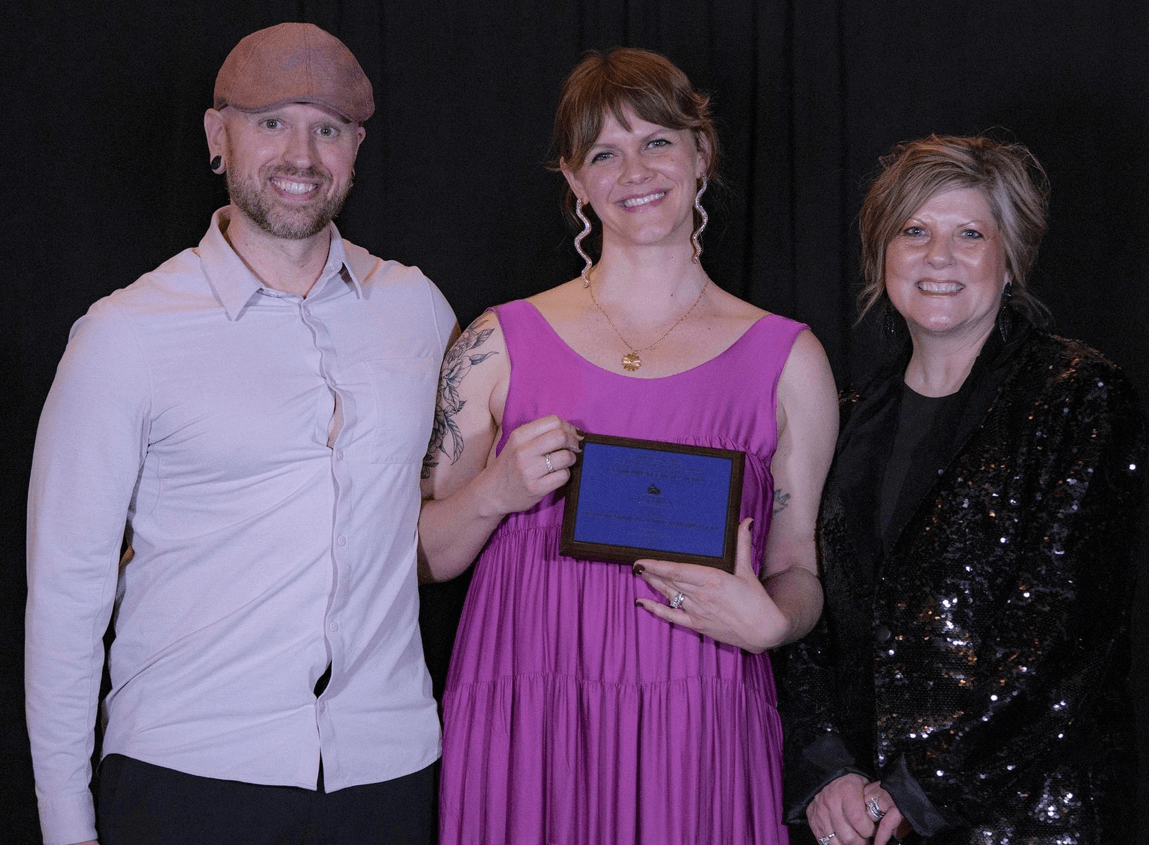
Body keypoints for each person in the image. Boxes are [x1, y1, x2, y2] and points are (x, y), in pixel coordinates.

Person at [25, 23, 455, 845]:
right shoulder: (126, 335)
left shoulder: (415, 310)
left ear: (355, 148)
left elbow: (434, 506)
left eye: (327, 128)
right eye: (270, 122)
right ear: (217, 138)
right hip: (189, 772)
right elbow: (68, 598)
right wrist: (65, 825)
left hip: (386, 771)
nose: (301, 154)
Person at [419, 47, 838, 845]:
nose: (633, 170)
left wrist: (772, 625)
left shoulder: (788, 358)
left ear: (700, 154)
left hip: (699, 702)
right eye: (602, 153)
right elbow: (420, 554)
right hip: (528, 707)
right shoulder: (497, 341)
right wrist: (496, 492)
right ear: (575, 182)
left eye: (656, 141)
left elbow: (798, 567)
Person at [779, 135, 1146, 844]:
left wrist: (918, 789)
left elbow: (1062, 632)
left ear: (1008, 259)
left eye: (968, 234)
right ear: (881, 254)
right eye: (913, 231)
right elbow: (811, 608)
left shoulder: (1076, 394)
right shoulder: (849, 414)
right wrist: (825, 768)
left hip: (1029, 816)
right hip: (864, 817)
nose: (936, 256)